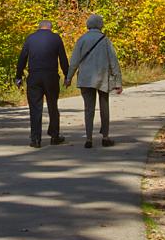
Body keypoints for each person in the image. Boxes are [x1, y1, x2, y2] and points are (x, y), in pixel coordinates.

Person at [65, 14, 122, 148]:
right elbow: (113, 61)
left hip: (86, 78)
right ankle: (105, 137)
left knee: (88, 109)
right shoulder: (105, 40)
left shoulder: (82, 39)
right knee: (104, 107)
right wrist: (118, 82)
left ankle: (89, 139)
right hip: (103, 77)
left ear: (88, 24)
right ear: (100, 24)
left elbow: (74, 61)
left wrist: (68, 78)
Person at [15, 20, 69, 148]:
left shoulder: (30, 38)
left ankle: (36, 139)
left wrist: (18, 77)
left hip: (34, 77)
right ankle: (54, 136)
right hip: (51, 77)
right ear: (50, 28)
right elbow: (63, 58)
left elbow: (22, 58)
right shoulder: (56, 38)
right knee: (52, 106)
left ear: (39, 28)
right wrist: (67, 76)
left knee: (35, 108)